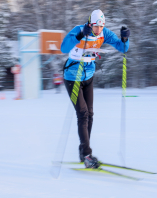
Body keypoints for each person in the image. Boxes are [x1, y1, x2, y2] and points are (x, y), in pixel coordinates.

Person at [60, 9, 130, 168]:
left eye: (101, 26)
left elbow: (122, 47)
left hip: (88, 76)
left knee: (90, 114)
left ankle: (83, 152)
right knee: (83, 114)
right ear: (89, 23)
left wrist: (125, 38)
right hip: (72, 77)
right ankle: (87, 155)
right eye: (95, 26)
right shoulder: (79, 30)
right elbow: (64, 48)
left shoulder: (105, 33)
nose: (98, 30)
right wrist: (79, 36)